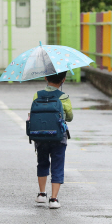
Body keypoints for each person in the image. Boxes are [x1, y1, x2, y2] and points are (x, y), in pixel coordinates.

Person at [33, 71, 73, 209]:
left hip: (41, 136)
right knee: (57, 165)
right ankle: (54, 199)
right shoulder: (64, 97)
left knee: (42, 163)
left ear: (45, 77)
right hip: (58, 137)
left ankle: (41, 194)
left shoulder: (37, 95)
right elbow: (69, 117)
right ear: (63, 79)